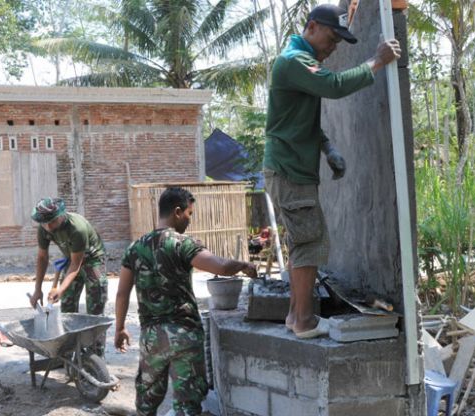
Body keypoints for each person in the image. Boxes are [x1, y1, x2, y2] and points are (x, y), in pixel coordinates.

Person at [263, 4, 401, 338]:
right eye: (332, 37)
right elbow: (336, 85)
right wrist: (378, 60)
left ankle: (296, 317)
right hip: (291, 171)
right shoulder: (294, 61)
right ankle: (305, 321)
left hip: (290, 168)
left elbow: (299, 121)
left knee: (303, 244)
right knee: (311, 244)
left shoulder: (300, 61)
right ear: (312, 27)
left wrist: (328, 149)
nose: (334, 46)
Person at [114, 187, 257, 416]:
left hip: (152, 338)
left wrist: (120, 327)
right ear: (177, 212)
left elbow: (122, 293)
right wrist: (242, 265)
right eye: (189, 214)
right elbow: (219, 266)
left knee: (146, 403)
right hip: (184, 335)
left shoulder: (134, 248)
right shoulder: (182, 244)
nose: (190, 220)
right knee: (187, 405)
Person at [29, 197, 108, 354]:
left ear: (61, 215)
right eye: (44, 223)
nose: (48, 227)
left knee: (95, 310)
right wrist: (37, 289)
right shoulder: (44, 228)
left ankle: (95, 356)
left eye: (51, 221)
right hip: (72, 259)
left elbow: (76, 265)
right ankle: (67, 352)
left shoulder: (76, 228)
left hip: (92, 261)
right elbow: (42, 258)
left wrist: (60, 289)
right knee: (67, 306)